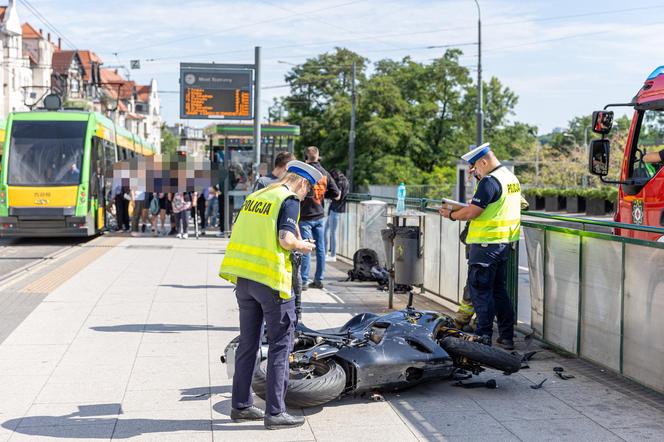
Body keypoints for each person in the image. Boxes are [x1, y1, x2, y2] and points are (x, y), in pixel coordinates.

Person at [219, 160, 319, 430]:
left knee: (248, 344)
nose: (305, 195)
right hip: (271, 282)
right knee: (280, 345)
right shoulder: (287, 199)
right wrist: (303, 245)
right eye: (307, 189)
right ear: (301, 182)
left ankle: (240, 406)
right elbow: (286, 239)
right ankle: (275, 412)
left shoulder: (257, 195)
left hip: (245, 279)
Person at [439, 143, 521, 350]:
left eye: (475, 166)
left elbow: (472, 213)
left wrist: (450, 214)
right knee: (499, 292)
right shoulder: (511, 178)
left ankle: (483, 338)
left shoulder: (490, 182)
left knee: (481, 292)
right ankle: (506, 336)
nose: (473, 171)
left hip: (485, 246)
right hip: (503, 244)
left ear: (484, 161)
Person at [298, 146, 340, 290]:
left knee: (306, 248)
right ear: (318, 157)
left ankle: (304, 280)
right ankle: (319, 279)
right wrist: (322, 195)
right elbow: (337, 194)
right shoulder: (325, 174)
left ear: (306, 158)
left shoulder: (303, 173)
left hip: (304, 216)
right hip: (320, 216)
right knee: (321, 249)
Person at [325, 168, 349, 262]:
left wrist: (328, 194)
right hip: (338, 209)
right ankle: (327, 253)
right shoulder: (346, 181)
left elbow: (337, 196)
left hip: (335, 209)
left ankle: (333, 255)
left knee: (332, 233)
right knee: (327, 231)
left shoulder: (339, 182)